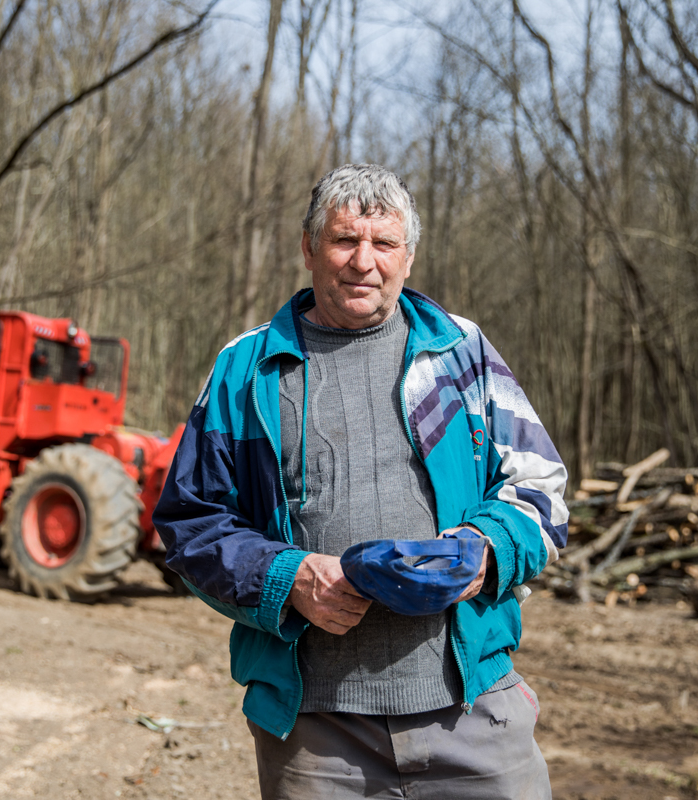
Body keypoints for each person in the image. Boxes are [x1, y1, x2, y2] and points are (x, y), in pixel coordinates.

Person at [153, 164, 568, 799]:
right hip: (317, 731)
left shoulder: (463, 354)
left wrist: (486, 549)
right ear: (309, 247)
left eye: (384, 244)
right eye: (345, 240)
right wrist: (287, 578)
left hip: (473, 707)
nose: (363, 263)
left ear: (409, 255)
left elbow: (539, 484)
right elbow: (189, 520)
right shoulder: (246, 369)